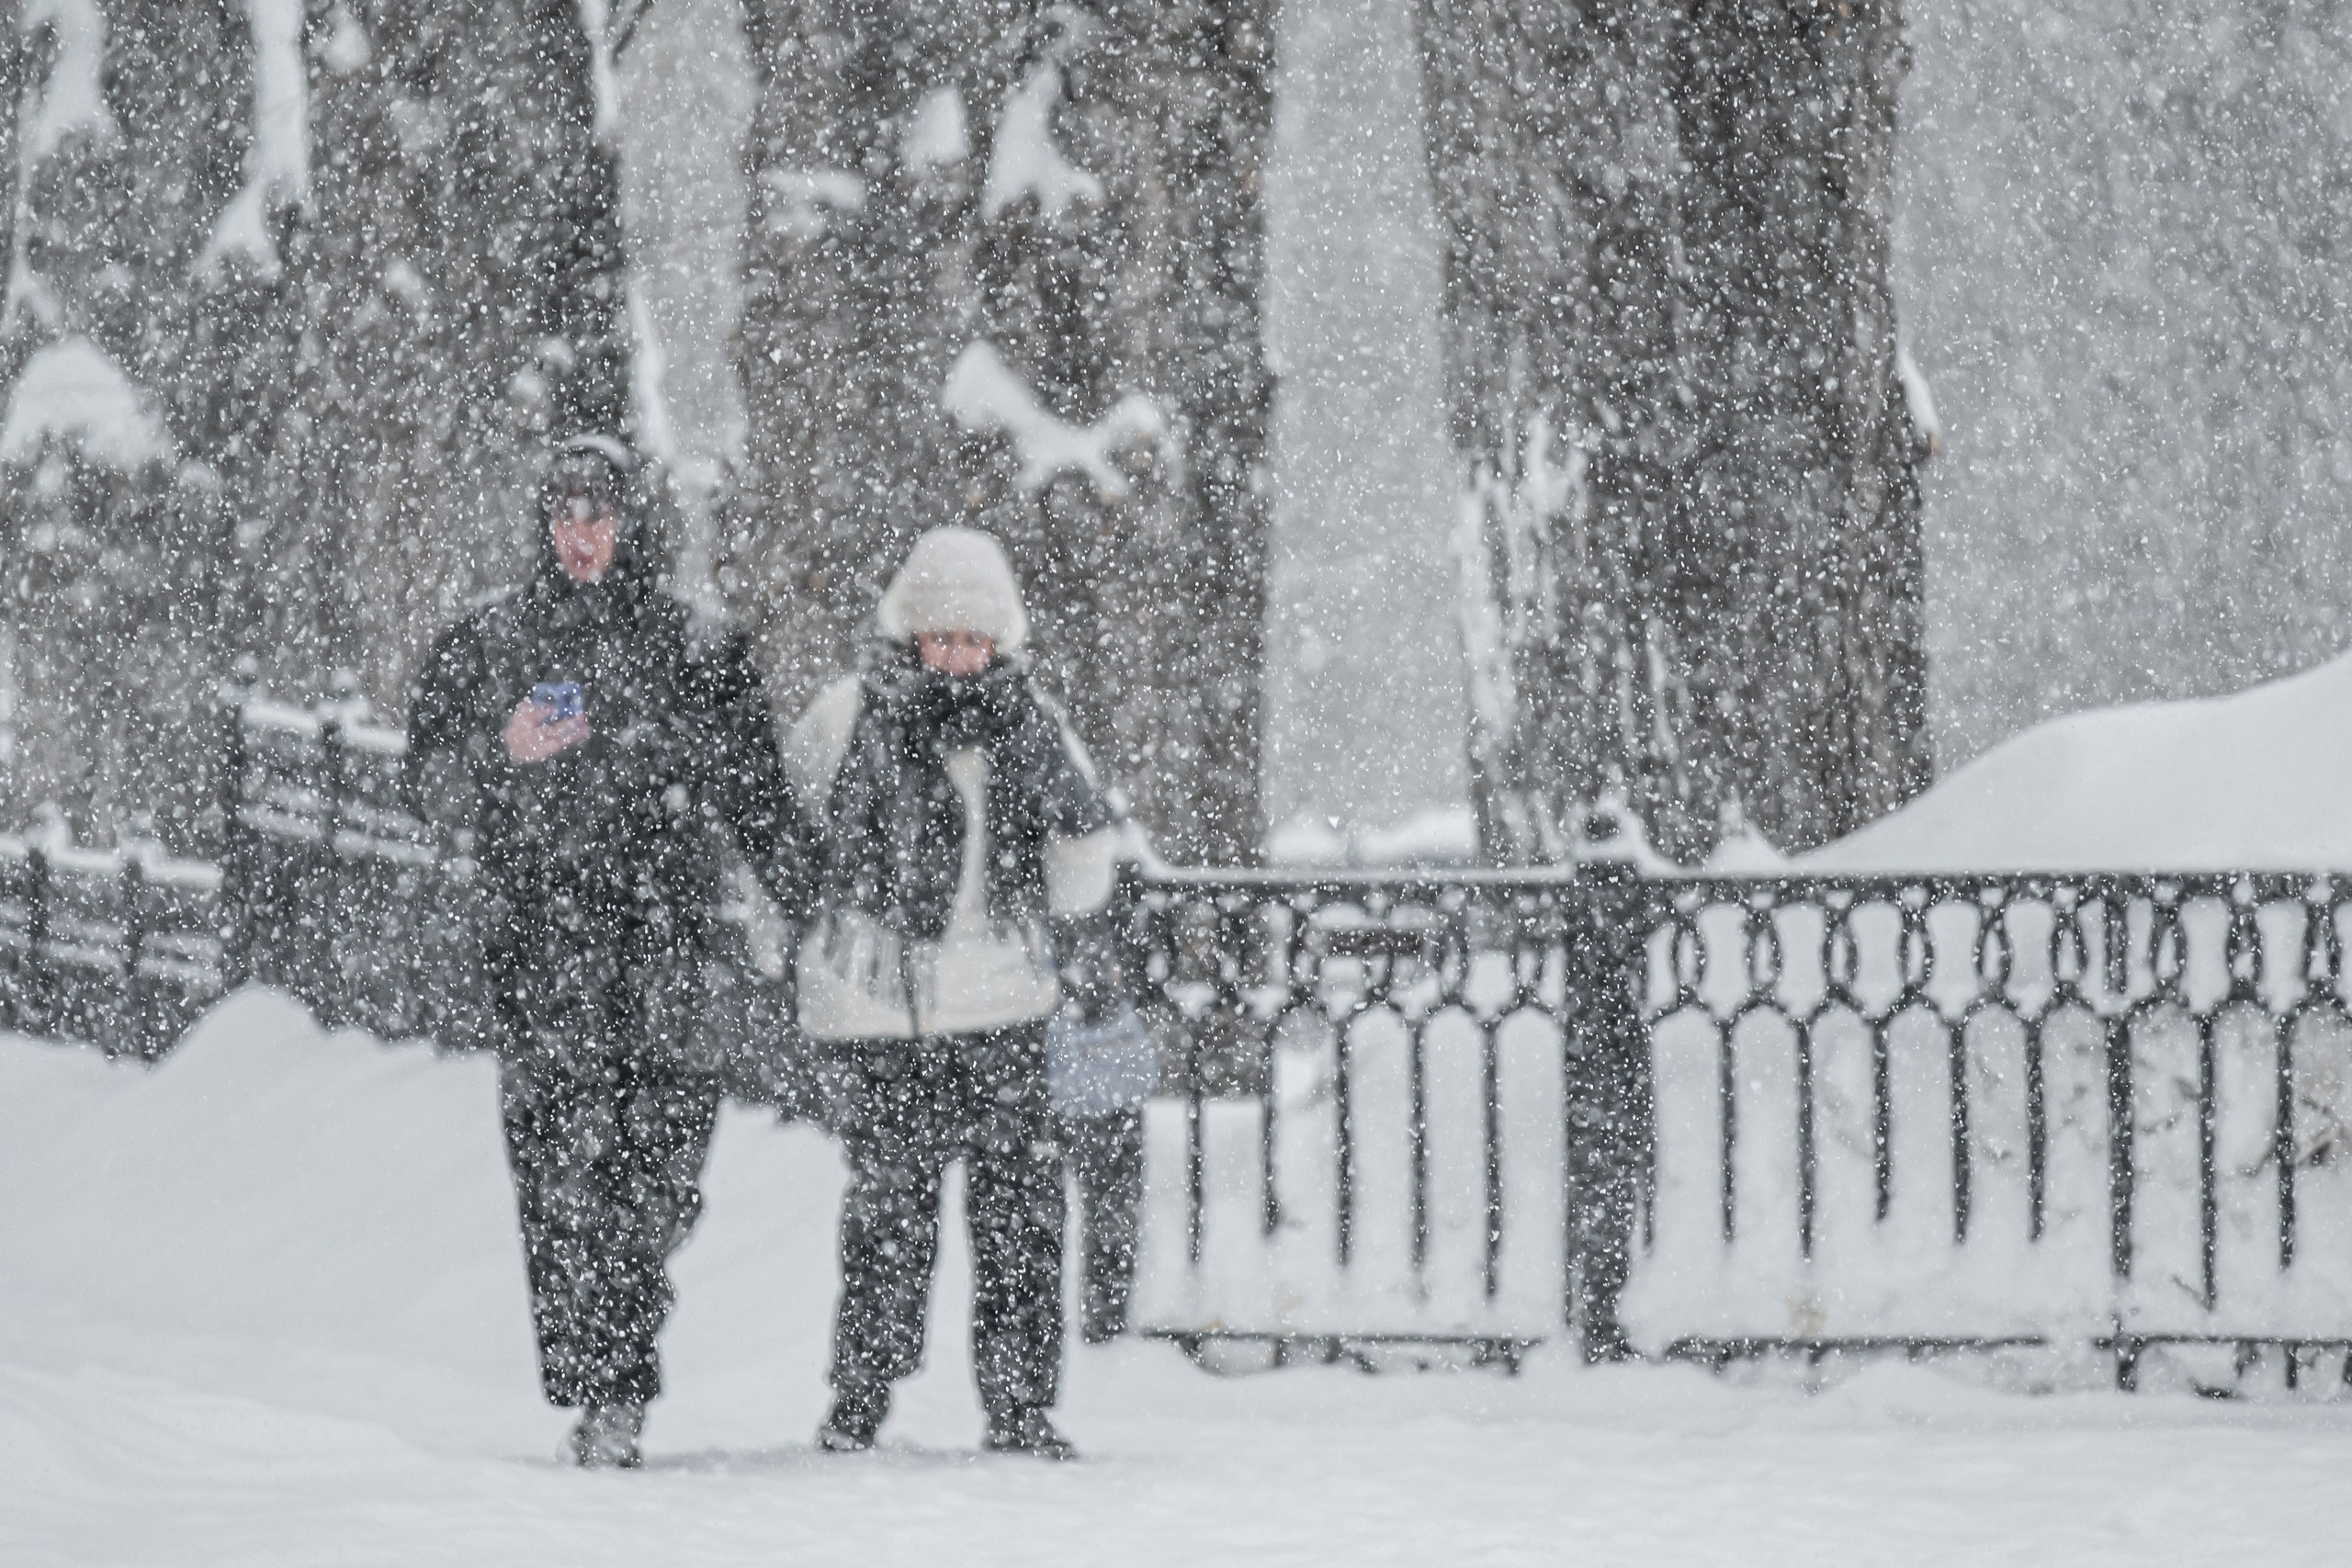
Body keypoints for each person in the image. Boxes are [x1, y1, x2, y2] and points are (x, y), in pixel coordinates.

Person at [404, 434, 819, 1469]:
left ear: (633, 524)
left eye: (600, 514)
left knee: (656, 1176)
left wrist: (826, 905)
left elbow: (760, 804)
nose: (581, 536)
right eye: (564, 515)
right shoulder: (489, 646)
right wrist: (498, 752)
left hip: (669, 953)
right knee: (559, 1181)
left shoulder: (697, 651)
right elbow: (426, 786)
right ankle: (608, 1387)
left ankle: (619, 1352)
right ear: (542, 524)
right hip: (541, 955)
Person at [786, 525, 1116, 1461]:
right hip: (884, 1009)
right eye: (942, 635)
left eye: (975, 638)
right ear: (911, 631)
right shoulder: (848, 715)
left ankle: (1018, 1407)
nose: (959, 656)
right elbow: (787, 833)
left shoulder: (1031, 726)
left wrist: (1062, 876)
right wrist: (799, 952)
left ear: (1000, 638)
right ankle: (860, 1400)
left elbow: (1084, 854)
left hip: (1002, 1003)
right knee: (888, 1216)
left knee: (1020, 1217)